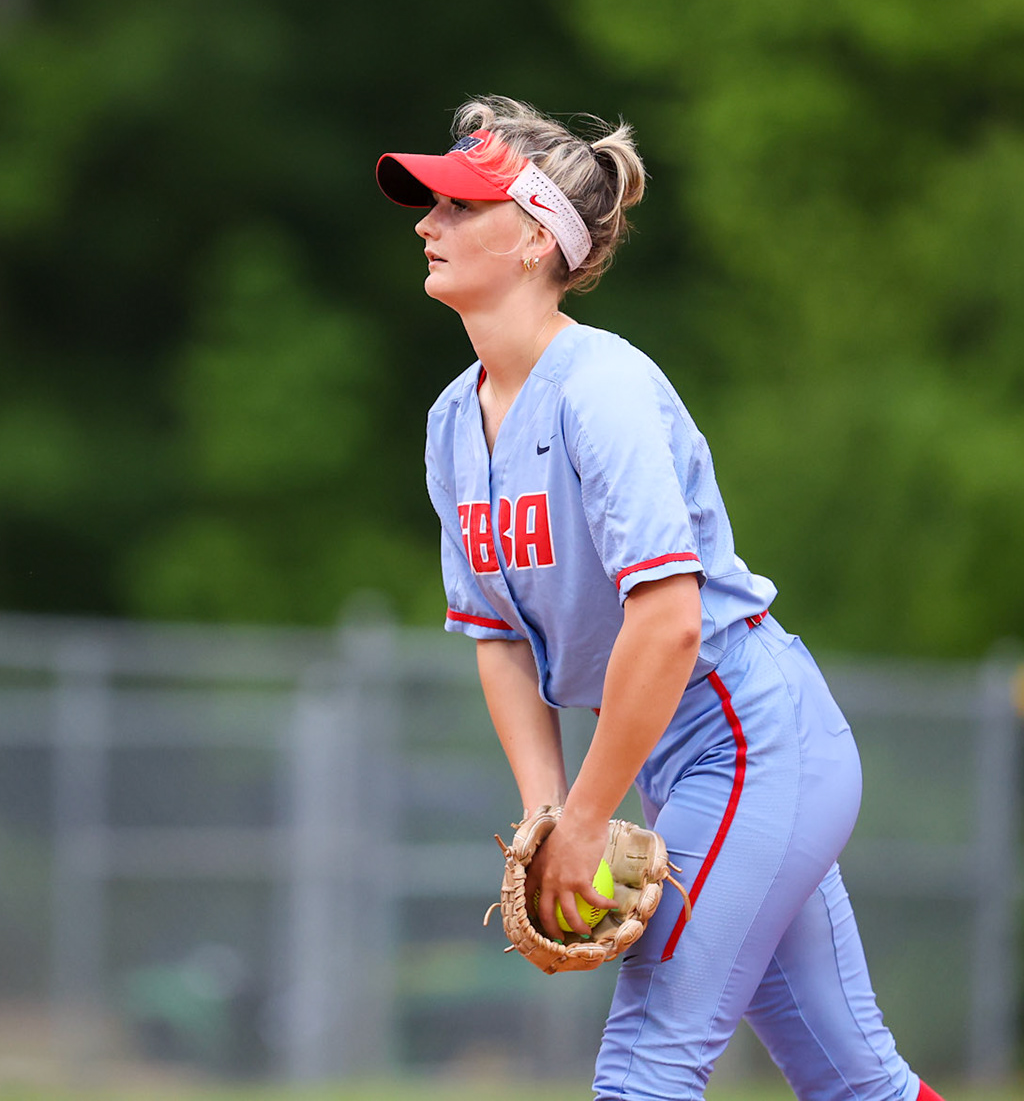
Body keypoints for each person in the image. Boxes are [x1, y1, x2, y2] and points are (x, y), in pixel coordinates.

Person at [378, 97, 943, 1101]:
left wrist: (592, 815)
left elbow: (670, 618)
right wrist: (549, 810)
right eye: (431, 203)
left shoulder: (604, 388)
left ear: (534, 237)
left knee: (648, 1061)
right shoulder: (453, 424)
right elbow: (499, 637)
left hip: (751, 735)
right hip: (676, 758)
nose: (429, 221)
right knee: (856, 1079)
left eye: (461, 205)